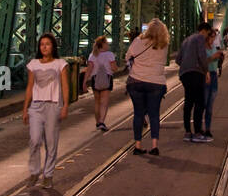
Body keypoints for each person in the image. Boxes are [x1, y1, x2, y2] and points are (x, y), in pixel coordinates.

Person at [23, 33, 69, 187]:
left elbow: (65, 86)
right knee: (34, 140)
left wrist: (65, 106)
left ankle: (48, 174)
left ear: (53, 47)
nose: (44, 47)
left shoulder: (60, 64)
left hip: (53, 105)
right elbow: (30, 87)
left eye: (47, 44)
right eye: (42, 44)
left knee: (51, 142)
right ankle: (35, 171)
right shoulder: (33, 64)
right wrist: (25, 109)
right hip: (36, 106)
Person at [125, 18, 170, 156]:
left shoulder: (138, 41)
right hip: (156, 83)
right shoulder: (164, 45)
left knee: (138, 114)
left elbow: (128, 57)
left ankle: (137, 145)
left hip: (136, 81)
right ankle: (154, 146)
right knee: (154, 114)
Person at [177, 22, 212, 143]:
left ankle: (187, 132)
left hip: (184, 74)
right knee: (200, 102)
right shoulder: (200, 38)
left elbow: (178, 59)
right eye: (208, 33)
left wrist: (186, 65)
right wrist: (206, 71)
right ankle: (197, 132)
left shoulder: (186, 40)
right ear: (205, 31)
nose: (208, 37)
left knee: (188, 102)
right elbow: (202, 56)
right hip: (196, 73)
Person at [87, 35, 116, 132]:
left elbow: (89, 69)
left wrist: (84, 82)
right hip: (107, 79)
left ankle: (97, 122)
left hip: (95, 79)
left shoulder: (92, 55)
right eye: (107, 43)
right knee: (104, 102)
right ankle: (102, 122)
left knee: (97, 102)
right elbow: (114, 68)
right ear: (103, 44)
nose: (108, 44)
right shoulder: (110, 54)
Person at [203, 28, 224, 139]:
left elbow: (217, 62)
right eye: (212, 36)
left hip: (214, 76)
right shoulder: (202, 48)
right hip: (205, 76)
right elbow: (202, 62)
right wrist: (212, 57)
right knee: (204, 103)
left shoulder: (214, 48)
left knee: (210, 105)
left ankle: (207, 129)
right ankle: (200, 128)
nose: (213, 38)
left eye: (214, 36)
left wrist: (220, 57)